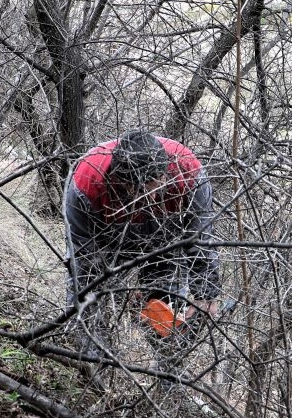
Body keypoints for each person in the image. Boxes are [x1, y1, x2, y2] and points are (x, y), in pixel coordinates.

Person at [63, 130, 221, 331]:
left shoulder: (188, 173)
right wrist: (112, 290)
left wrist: (206, 295)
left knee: (165, 317)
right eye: (138, 193)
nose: (149, 200)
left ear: (165, 175)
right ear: (121, 181)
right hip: (108, 241)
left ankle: (168, 356)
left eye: (155, 188)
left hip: (163, 243)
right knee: (89, 313)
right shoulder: (87, 184)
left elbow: (200, 239)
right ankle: (87, 357)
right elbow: (85, 258)